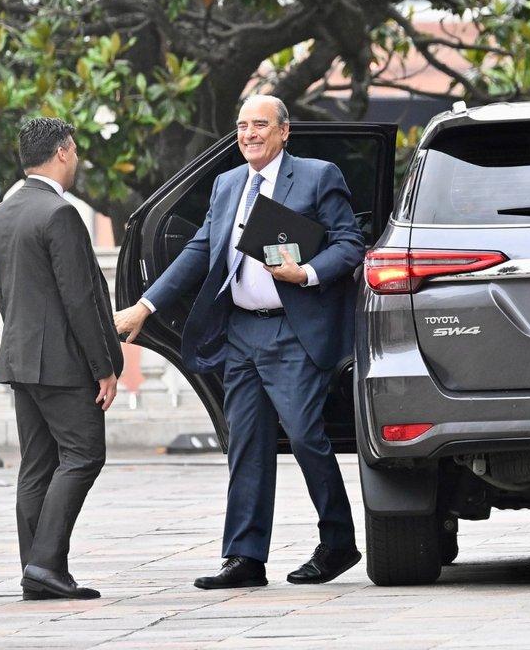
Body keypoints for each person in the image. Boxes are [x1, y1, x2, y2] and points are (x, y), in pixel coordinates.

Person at [114, 95, 364, 589]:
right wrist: (146, 306)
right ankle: (245, 558)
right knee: (245, 443)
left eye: (260, 125)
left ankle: (338, 542)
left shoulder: (316, 176)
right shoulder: (228, 183)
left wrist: (307, 272)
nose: (249, 134)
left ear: (284, 132)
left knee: (304, 435)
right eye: (242, 125)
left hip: (293, 329)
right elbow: (199, 249)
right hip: (241, 331)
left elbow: (350, 243)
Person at [0, 118, 123, 601]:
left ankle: (38, 572)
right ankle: (45, 565)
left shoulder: (4, 211)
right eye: (77, 151)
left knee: (38, 466)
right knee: (85, 456)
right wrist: (104, 366)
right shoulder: (59, 213)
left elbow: (7, 293)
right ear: (64, 151)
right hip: (63, 363)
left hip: (21, 359)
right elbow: (79, 299)